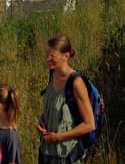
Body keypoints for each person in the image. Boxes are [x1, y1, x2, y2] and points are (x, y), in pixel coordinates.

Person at [36, 34, 95, 163]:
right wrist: (42, 119)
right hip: (47, 153)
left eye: (52, 56)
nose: (47, 58)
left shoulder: (76, 83)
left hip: (67, 156)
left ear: (66, 56)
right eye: (47, 54)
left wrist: (58, 137)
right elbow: (55, 105)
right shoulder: (53, 74)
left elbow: (90, 124)